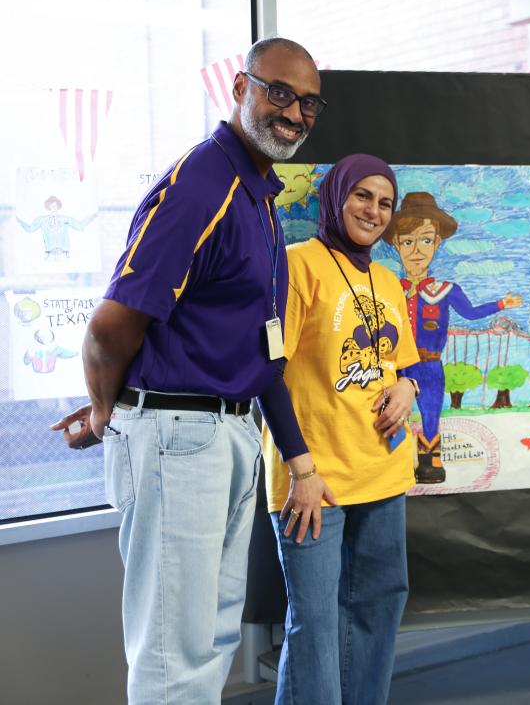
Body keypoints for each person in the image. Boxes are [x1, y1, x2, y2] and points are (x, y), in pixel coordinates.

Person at [50, 37, 324, 703]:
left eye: (309, 102)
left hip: (224, 435)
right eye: (278, 91)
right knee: (175, 655)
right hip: (178, 436)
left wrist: (301, 460)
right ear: (239, 88)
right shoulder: (201, 185)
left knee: (208, 644)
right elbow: (108, 331)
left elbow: (257, 348)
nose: (292, 111)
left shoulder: (257, 194)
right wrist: (110, 412)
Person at [260, 154, 420, 705]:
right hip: (315, 482)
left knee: (378, 607)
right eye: (362, 196)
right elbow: (266, 374)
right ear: (336, 197)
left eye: (384, 202)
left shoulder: (388, 280)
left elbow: (401, 363)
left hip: (382, 471)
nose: (373, 211)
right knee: (315, 623)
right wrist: (298, 467)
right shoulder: (297, 265)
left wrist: (408, 387)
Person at [382, 192, 522, 484]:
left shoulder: (446, 290)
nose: (416, 249)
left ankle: (429, 466)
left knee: (431, 417)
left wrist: (500, 305)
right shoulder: (388, 286)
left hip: (431, 366)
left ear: (437, 243)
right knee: (394, 417)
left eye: (426, 240)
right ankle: (393, 468)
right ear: (396, 243)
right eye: (408, 241)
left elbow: (470, 313)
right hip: (396, 369)